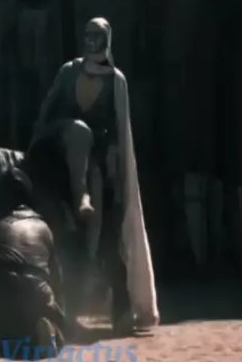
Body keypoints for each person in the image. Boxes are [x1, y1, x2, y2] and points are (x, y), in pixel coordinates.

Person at [29, 17, 159, 332]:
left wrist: (116, 169)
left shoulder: (115, 81)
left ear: (107, 40)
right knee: (78, 131)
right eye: (87, 34)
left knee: (108, 235)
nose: (91, 40)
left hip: (98, 159)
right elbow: (48, 110)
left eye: (97, 35)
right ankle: (79, 195)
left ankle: (121, 310)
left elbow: (118, 128)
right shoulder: (69, 71)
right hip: (63, 145)